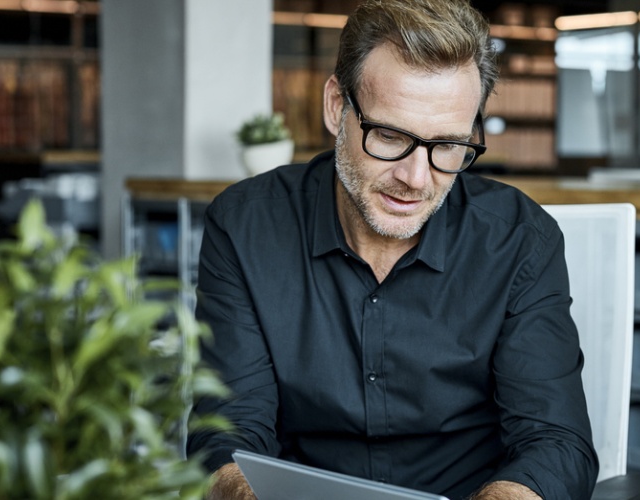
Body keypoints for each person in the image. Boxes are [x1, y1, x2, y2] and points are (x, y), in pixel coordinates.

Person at [185, 1, 598, 498]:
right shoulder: (245, 226)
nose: (416, 179)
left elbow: (555, 442)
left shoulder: (520, 241)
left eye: (448, 145)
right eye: (389, 135)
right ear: (337, 106)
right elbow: (227, 433)